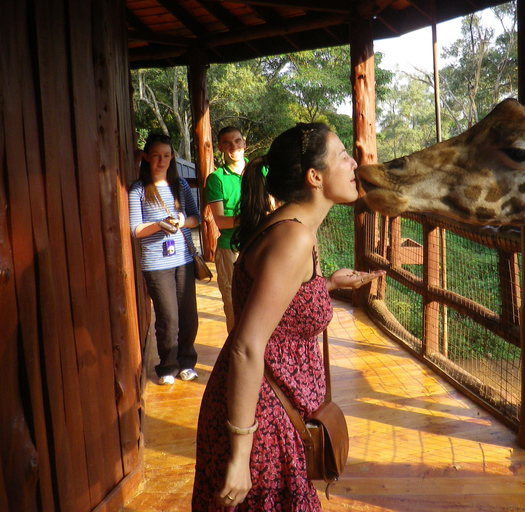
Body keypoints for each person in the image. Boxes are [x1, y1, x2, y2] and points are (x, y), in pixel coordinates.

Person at [192, 123, 385, 511]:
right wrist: (240, 453)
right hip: (262, 421)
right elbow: (247, 346)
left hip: (273, 414)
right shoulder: (294, 238)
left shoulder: (293, 230)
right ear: (315, 177)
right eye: (343, 156)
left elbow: (277, 305)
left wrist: (325, 285)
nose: (354, 163)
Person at [129, 133, 202, 386]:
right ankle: (167, 366)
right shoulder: (138, 189)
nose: (162, 161)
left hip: (183, 259)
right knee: (168, 317)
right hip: (156, 264)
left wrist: (182, 221)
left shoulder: (180, 185)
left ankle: (186, 362)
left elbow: (196, 218)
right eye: (156, 156)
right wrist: (159, 225)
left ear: (172, 157)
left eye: (167, 156)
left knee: (188, 315)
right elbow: (135, 229)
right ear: (147, 157)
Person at [205, 126, 248, 333]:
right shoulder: (216, 179)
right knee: (234, 305)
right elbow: (221, 221)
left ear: (244, 144)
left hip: (259, 245)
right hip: (230, 249)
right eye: (228, 143)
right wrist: (252, 216)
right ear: (220, 147)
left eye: (237, 141)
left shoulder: (260, 171)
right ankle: (234, 359)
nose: (234, 146)